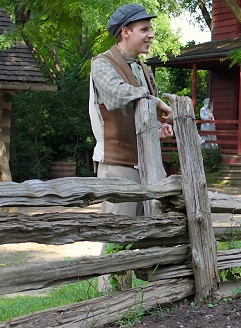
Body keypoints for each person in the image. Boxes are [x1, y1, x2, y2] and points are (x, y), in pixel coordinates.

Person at [88, 3, 173, 292]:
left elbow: (137, 115)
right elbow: (117, 95)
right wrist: (154, 102)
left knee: (149, 233)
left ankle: (144, 298)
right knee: (117, 235)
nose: (151, 34)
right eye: (144, 29)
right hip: (118, 164)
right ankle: (109, 302)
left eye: (150, 29)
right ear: (125, 32)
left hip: (147, 165)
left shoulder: (144, 70)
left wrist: (156, 129)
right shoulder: (102, 63)